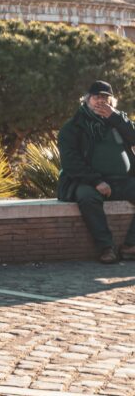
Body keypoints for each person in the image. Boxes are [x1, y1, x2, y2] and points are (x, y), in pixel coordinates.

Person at [57, 80, 135, 263]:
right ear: (86, 99)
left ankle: (130, 246)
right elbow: (70, 162)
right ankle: (106, 248)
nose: (100, 101)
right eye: (96, 97)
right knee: (87, 198)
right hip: (87, 182)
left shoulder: (118, 120)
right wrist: (96, 181)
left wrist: (115, 118)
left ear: (112, 101)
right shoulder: (73, 126)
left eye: (105, 97)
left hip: (121, 180)